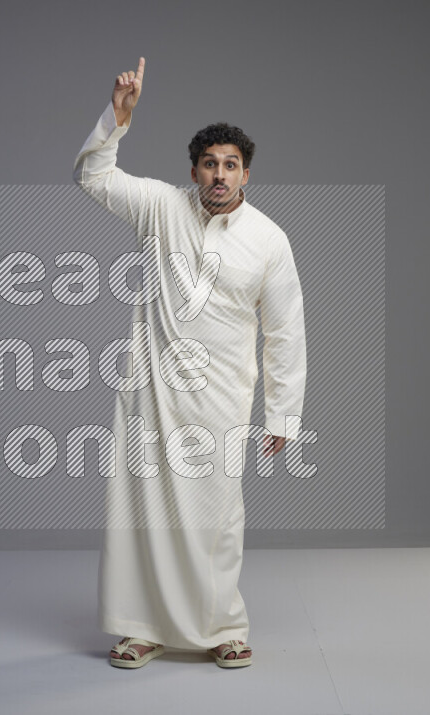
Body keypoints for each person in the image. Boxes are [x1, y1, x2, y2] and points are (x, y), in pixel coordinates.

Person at [72, 57, 306, 668]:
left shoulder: (269, 240)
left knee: (216, 517)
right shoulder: (161, 207)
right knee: (141, 512)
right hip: (150, 393)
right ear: (194, 171)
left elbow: (284, 332)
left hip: (223, 399)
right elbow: (93, 178)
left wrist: (282, 414)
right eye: (209, 164)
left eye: (231, 165)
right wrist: (117, 120)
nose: (219, 175)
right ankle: (141, 627)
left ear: (246, 174)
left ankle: (221, 627)